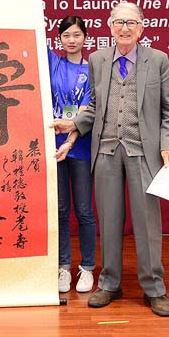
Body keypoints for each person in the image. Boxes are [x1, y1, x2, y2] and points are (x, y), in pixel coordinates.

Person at [52, 2, 169, 317]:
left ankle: (154, 288)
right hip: (106, 150)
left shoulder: (158, 60)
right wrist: (74, 125)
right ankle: (109, 283)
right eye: (119, 22)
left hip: (143, 152)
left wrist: (168, 144)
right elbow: (95, 106)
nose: (125, 28)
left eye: (131, 22)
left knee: (147, 223)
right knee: (109, 221)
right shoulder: (97, 60)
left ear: (141, 28)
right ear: (110, 27)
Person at [50, 15, 97, 293]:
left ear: (85, 38)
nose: (71, 40)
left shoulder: (92, 69)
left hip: (80, 146)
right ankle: (63, 267)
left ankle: (87, 267)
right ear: (59, 39)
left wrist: (70, 140)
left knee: (83, 209)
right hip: (53, 146)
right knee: (60, 209)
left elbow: (85, 111)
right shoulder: (52, 63)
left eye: (77, 35)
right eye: (66, 35)